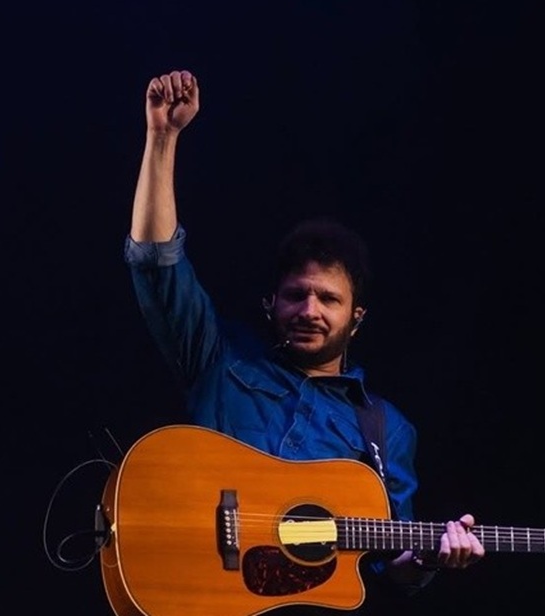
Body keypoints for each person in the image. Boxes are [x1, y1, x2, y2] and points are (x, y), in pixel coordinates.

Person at [122, 69, 484, 612]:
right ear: (271, 303)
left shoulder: (386, 430)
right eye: (296, 295)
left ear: (357, 317)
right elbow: (156, 265)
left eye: (328, 299)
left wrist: (433, 556)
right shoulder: (219, 359)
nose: (309, 310)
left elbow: (393, 563)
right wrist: (162, 139)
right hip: (195, 596)